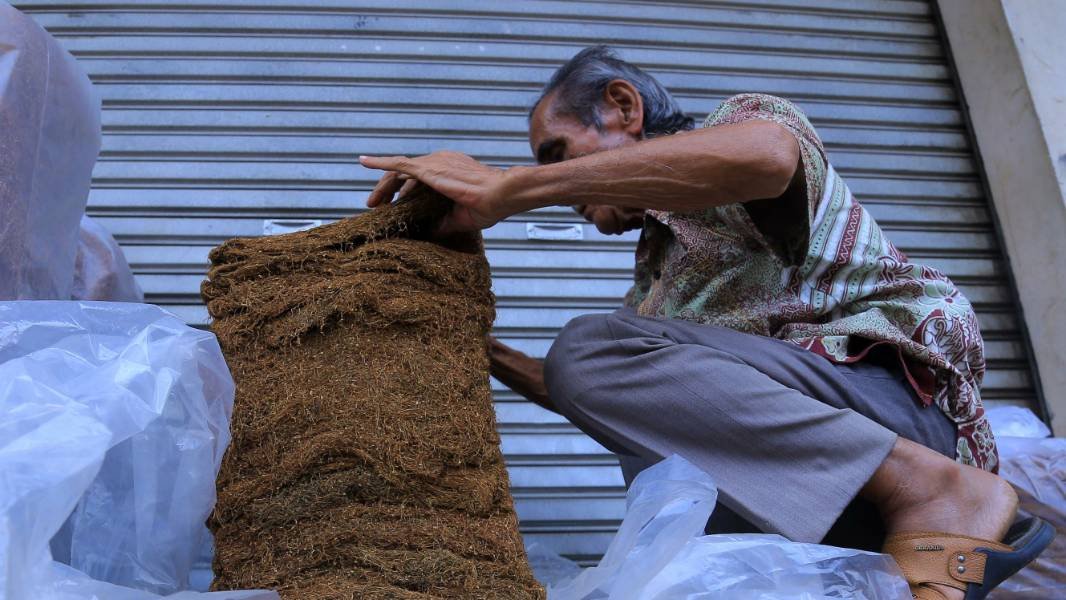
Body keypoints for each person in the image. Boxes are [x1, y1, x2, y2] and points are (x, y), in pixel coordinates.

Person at [360, 46, 1052, 600]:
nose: (557, 183)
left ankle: (933, 493)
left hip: (893, 415)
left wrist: (512, 187)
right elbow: (585, 383)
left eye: (556, 152)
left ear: (622, 106)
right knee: (654, 468)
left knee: (587, 349)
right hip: (819, 483)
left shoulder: (737, 127)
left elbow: (768, 159)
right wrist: (465, 340)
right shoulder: (654, 289)